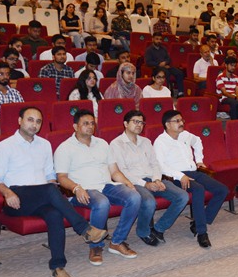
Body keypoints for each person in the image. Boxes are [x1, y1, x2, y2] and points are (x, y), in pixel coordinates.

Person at [0, 106, 109, 277]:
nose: (34, 124)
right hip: (16, 198)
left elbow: (50, 175)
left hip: (41, 196)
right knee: (50, 190)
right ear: (20, 121)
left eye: (38, 121)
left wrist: (53, 187)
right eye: (30, 120)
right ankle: (85, 229)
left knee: (54, 213)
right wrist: (7, 193)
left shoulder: (44, 144)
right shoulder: (5, 146)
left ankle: (58, 268)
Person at [55, 109, 142, 264]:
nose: (90, 126)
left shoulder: (102, 144)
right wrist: (76, 188)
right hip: (83, 189)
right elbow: (61, 177)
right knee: (102, 202)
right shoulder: (65, 148)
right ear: (75, 126)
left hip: (106, 185)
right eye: (85, 123)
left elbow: (114, 171)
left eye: (92, 123)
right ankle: (95, 246)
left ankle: (117, 241)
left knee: (134, 197)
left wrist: (127, 182)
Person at [110, 110, 190, 246]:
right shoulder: (116, 144)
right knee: (149, 202)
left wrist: (157, 179)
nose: (139, 125)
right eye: (135, 121)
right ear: (125, 124)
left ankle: (159, 228)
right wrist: (145, 184)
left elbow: (155, 164)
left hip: (153, 178)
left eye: (141, 122)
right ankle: (143, 232)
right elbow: (123, 171)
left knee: (182, 196)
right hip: (133, 182)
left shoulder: (146, 141)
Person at [153, 110, 228, 248]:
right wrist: (180, 175)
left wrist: (199, 160)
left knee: (222, 190)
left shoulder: (185, 135)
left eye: (182, 120)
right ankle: (202, 232)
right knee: (198, 189)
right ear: (167, 125)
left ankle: (199, 221)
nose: (181, 123)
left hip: (193, 172)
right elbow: (160, 166)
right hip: (175, 176)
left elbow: (198, 141)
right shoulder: (160, 142)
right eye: (177, 121)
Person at [144, 32, 185, 97]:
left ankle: (180, 92)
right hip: (156, 68)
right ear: (153, 39)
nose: (159, 41)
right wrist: (159, 64)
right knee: (166, 73)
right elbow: (148, 62)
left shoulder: (163, 48)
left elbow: (168, 59)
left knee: (179, 73)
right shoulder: (149, 50)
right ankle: (166, 93)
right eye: (157, 39)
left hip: (166, 66)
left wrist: (165, 63)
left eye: (160, 39)